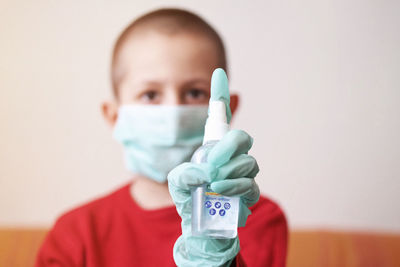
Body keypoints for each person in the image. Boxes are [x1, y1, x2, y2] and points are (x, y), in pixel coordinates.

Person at [35, 8, 287, 267]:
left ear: (226, 108)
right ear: (114, 116)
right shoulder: (75, 234)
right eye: (150, 95)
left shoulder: (253, 217)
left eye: (194, 93)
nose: (173, 113)